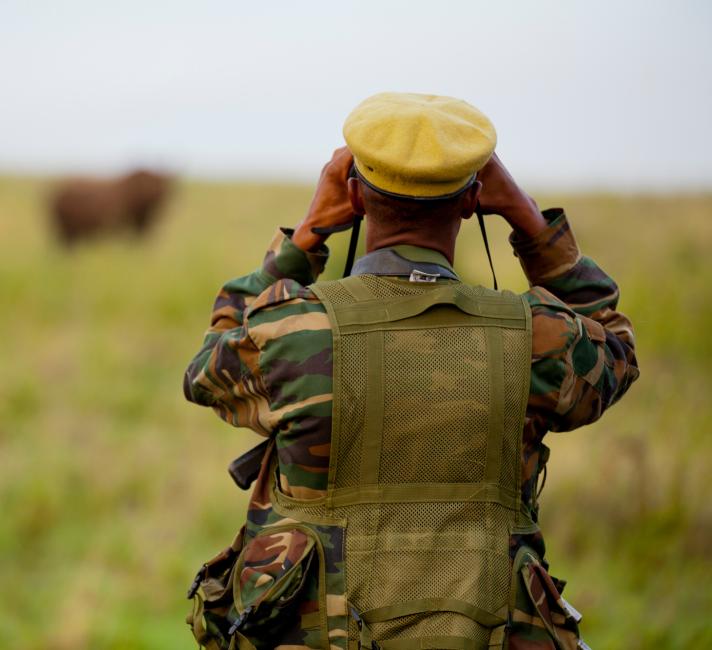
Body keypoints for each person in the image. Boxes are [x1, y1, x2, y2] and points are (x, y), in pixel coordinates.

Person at [183, 92, 639, 650]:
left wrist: (304, 238)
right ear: (474, 199)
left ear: (352, 193)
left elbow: (207, 366)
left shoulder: (294, 333)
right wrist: (527, 219)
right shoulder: (538, 339)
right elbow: (615, 344)